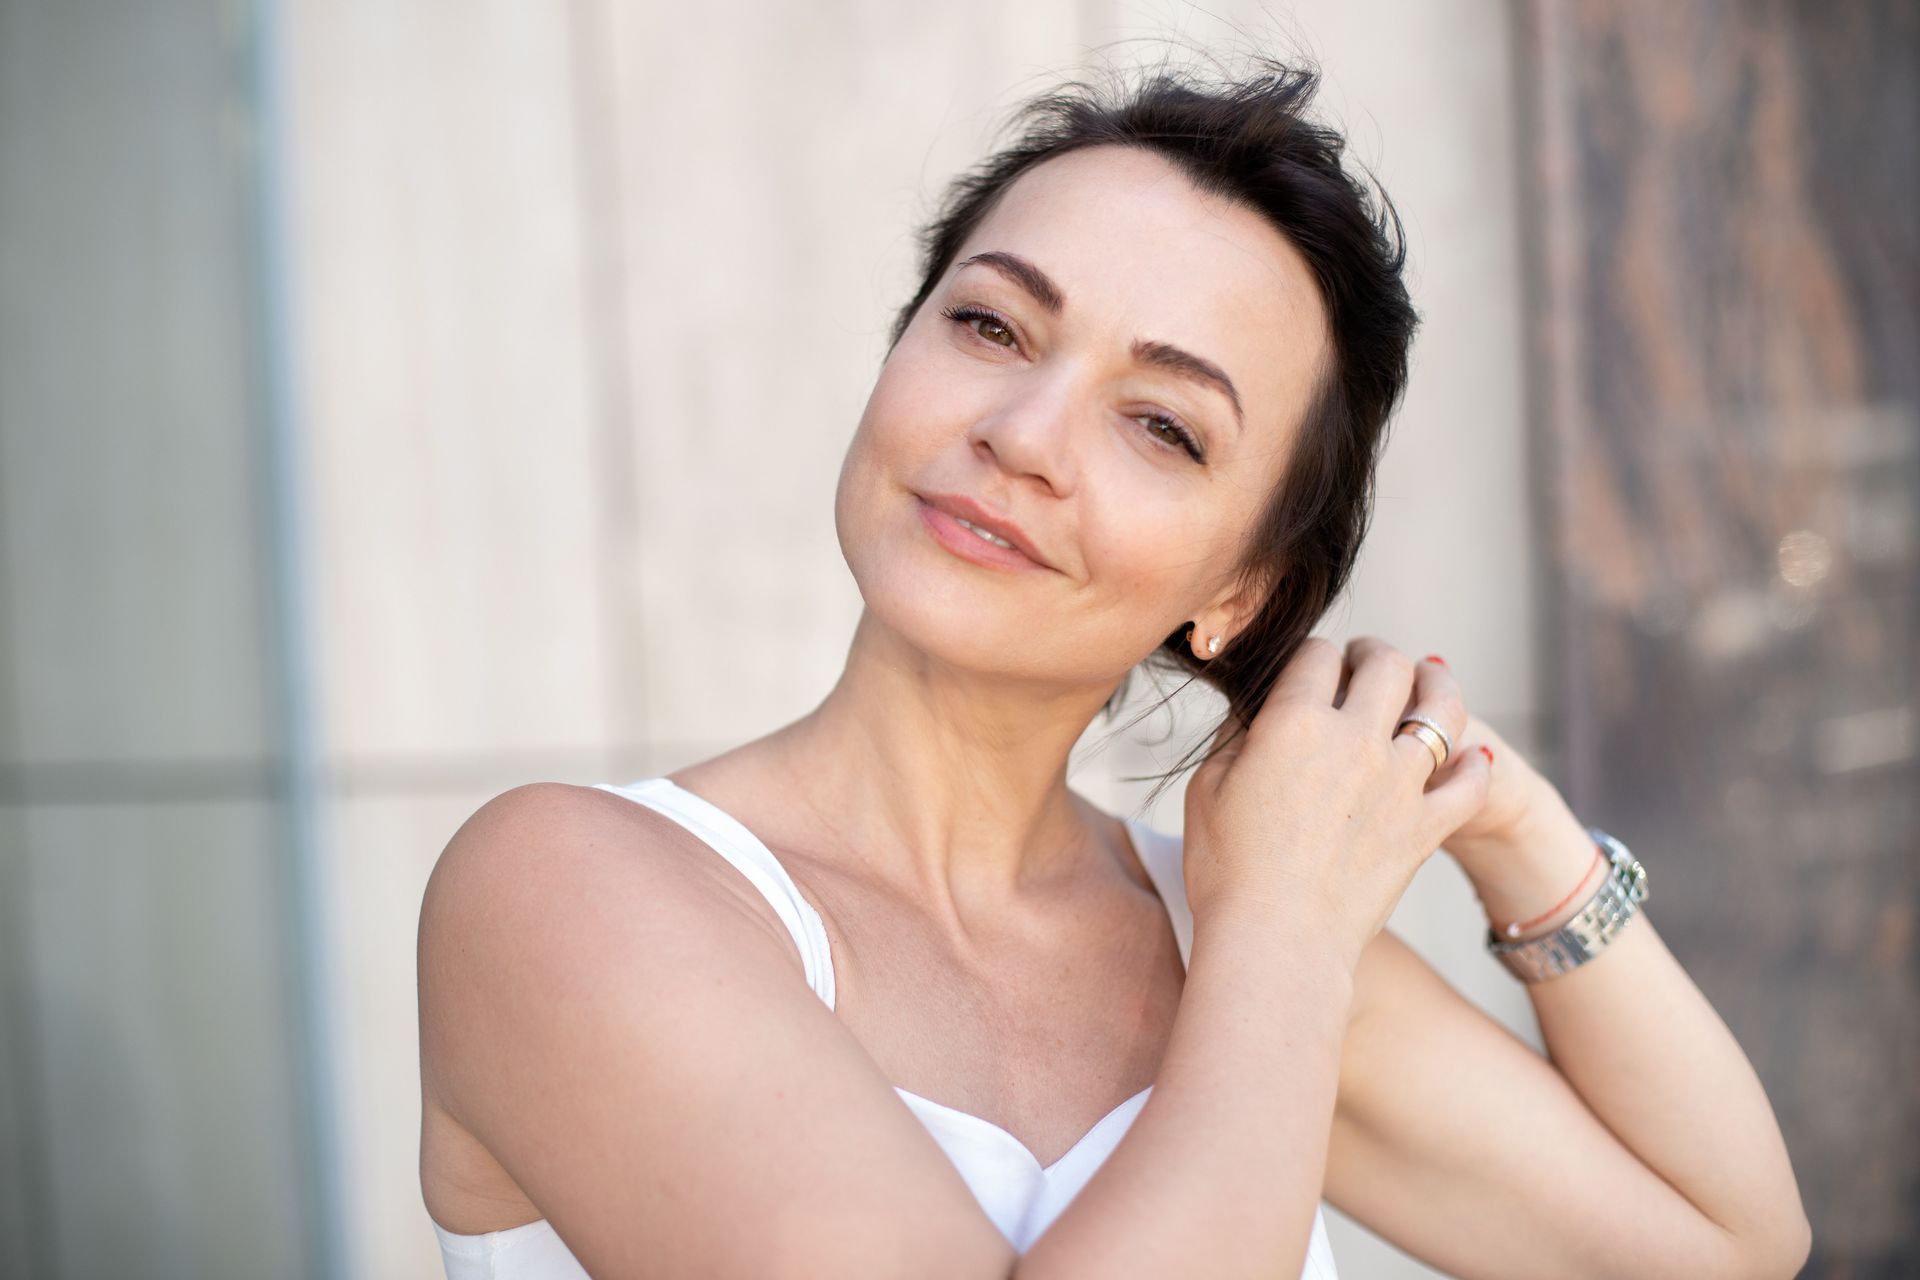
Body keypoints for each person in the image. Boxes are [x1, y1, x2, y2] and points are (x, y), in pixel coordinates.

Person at [417, 54, 1811, 1279]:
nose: (1023, 432)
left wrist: (1502, 813)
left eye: (1162, 425)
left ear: (1239, 589)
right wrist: (1281, 943)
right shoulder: (565, 888)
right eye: (990, 326)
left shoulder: (1240, 932)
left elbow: (1722, 1242)